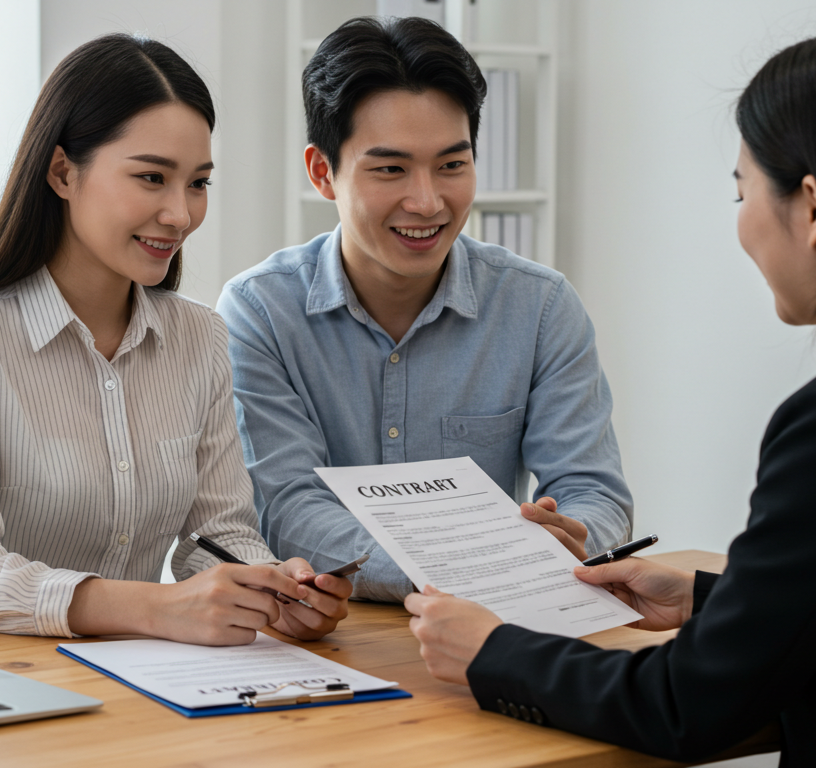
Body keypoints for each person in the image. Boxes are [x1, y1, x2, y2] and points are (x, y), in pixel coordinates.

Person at [404, 26, 816, 766]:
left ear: (811, 208)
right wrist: (708, 594)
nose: (743, 223)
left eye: (741, 189)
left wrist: (492, 652)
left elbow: (687, 705)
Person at [0, 34, 350, 644]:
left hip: (135, 678)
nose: (180, 214)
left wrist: (268, 588)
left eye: (197, 183)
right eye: (151, 178)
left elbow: (216, 534)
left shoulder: (198, 337)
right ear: (62, 171)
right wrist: (155, 608)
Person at [216, 17, 633, 603]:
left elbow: (592, 488)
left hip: (498, 629)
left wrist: (576, 536)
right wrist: (452, 569)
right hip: (336, 634)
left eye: (452, 165)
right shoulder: (260, 312)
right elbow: (286, 509)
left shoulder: (539, 306)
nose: (427, 201)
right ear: (322, 173)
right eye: (390, 169)